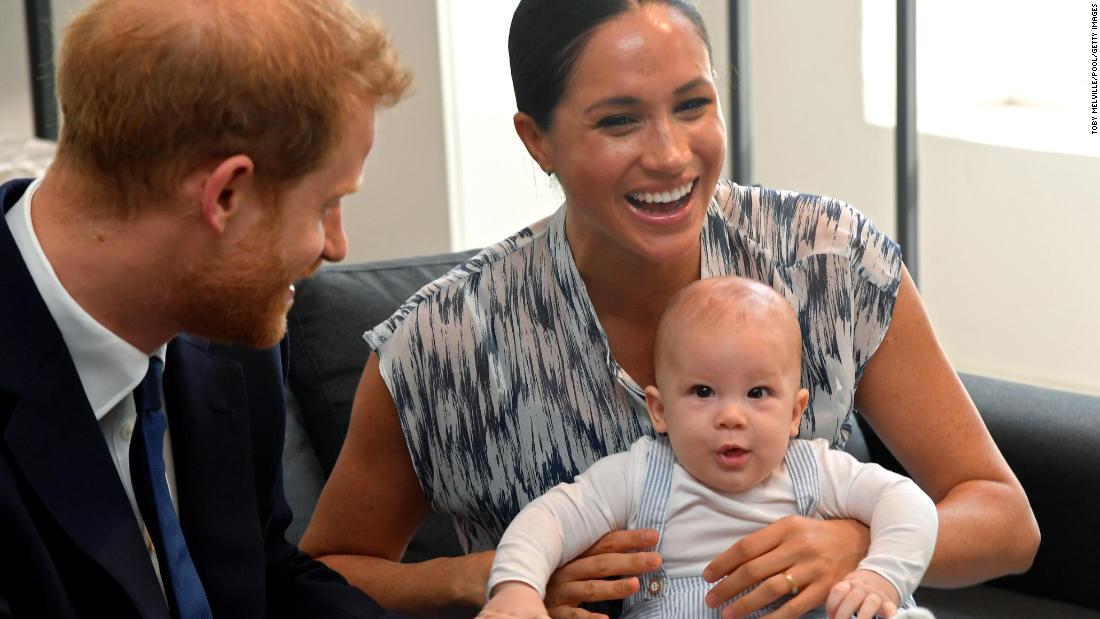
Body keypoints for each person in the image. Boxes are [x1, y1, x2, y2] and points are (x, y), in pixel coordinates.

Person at [301, 1, 1039, 617]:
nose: (671, 155)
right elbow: (321, 575)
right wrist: (489, 577)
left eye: (694, 106)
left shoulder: (829, 260)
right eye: (619, 121)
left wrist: (857, 544)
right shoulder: (444, 343)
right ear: (538, 141)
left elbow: (1006, 519)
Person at [0, 0, 410, 617]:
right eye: (326, 203)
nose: (335, 245)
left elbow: (262, 571)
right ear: (226, 194)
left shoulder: (231, 336)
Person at [478, 276, 938, 619]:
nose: (731, 416)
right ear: (659, 410)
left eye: (758, 393)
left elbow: (907, 501)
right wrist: (517, 588)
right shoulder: (638, 476)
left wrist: (881, 574)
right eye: (703, 392)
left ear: (795, 414)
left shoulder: (815, 470)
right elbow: (549, 519)